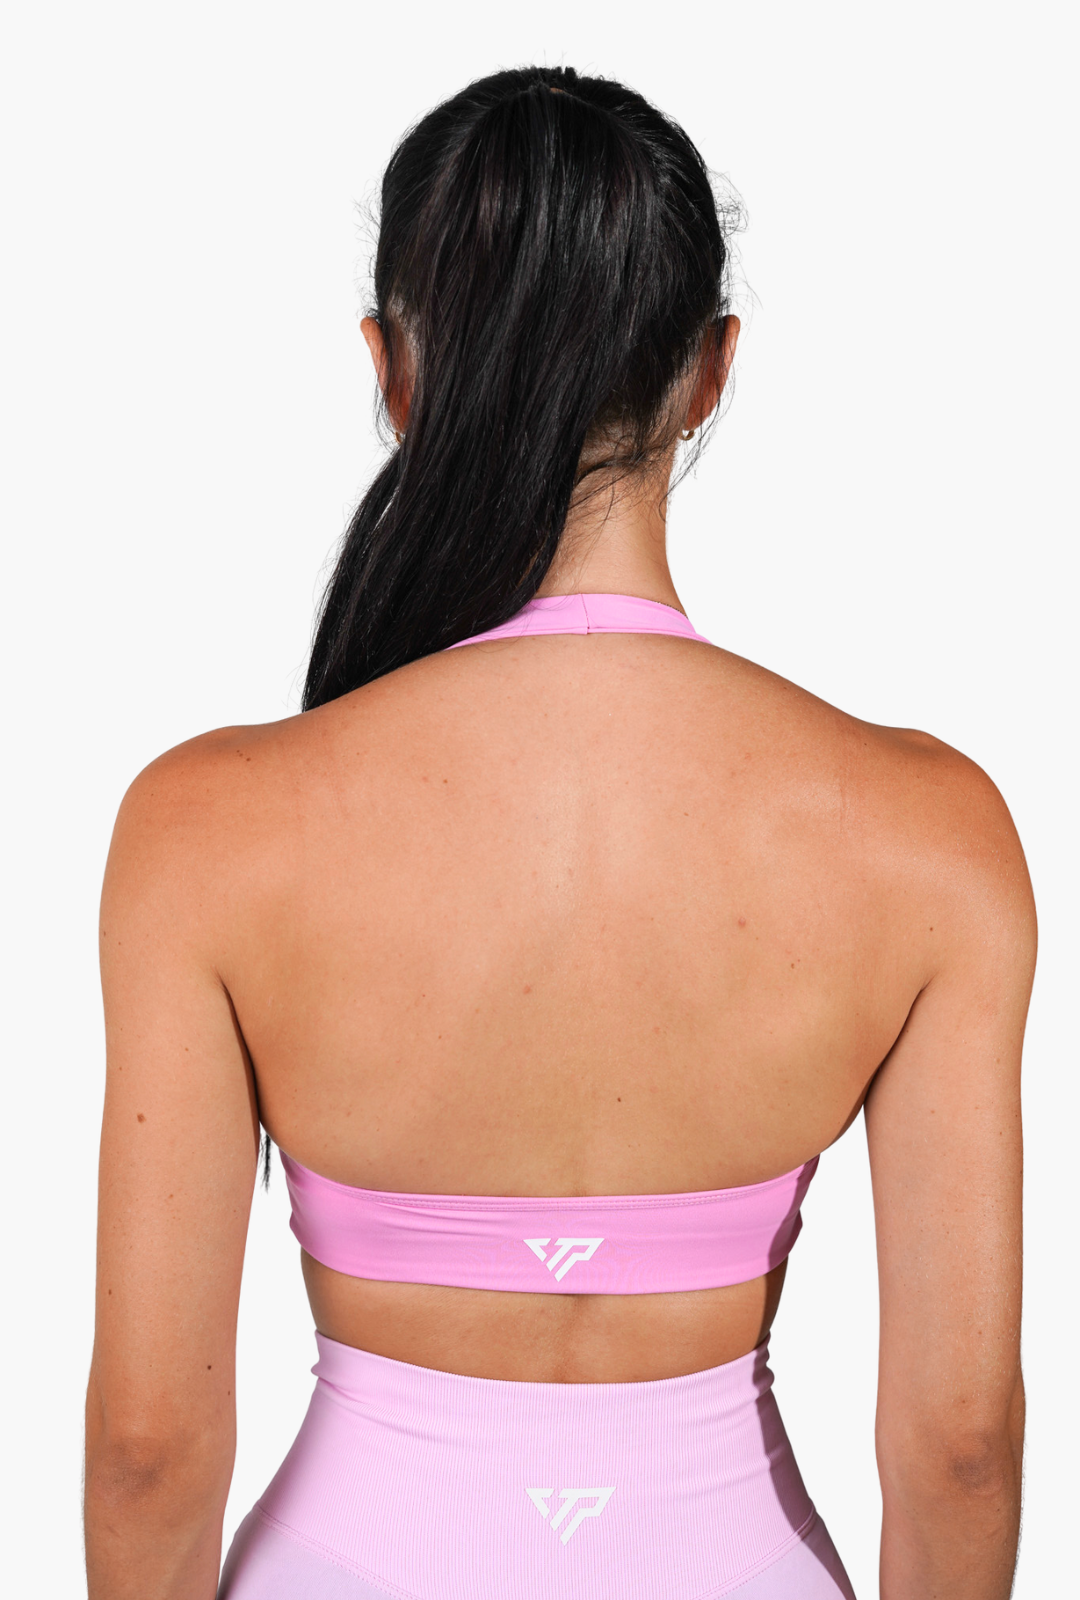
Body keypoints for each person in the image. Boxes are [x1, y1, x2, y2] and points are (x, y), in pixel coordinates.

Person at [84, 66, 1032, 1600]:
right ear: (710, 370)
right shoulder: (929, 834)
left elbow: (148, 1446)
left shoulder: (209, 828)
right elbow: (961, 1446)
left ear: (393, 369)